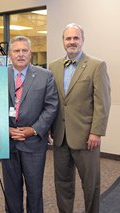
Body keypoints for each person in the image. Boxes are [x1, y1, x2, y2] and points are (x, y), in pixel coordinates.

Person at [49, 23, 111, 213]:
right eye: (68, 38)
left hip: (86, 138)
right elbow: (53, 101)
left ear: (82, 40)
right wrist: (50, 127)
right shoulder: (53, 67)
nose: (72, 42)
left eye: (76, 38)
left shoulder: (96, 65)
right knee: (62, 183)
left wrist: (96, 132)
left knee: (91, 185)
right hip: (60, 137)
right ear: (63, 42)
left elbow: (103, 102)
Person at [2, 36, 58, 213]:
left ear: (30, 54)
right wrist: (5, 129)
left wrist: (33, 130)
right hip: (8, 143)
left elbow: (51, 106)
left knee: (34, 191)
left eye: (24, 50)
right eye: (16, 51)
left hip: (33, 144)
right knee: (11, 192)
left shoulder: (45, 76)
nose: (20, 54)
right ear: (10, 55)